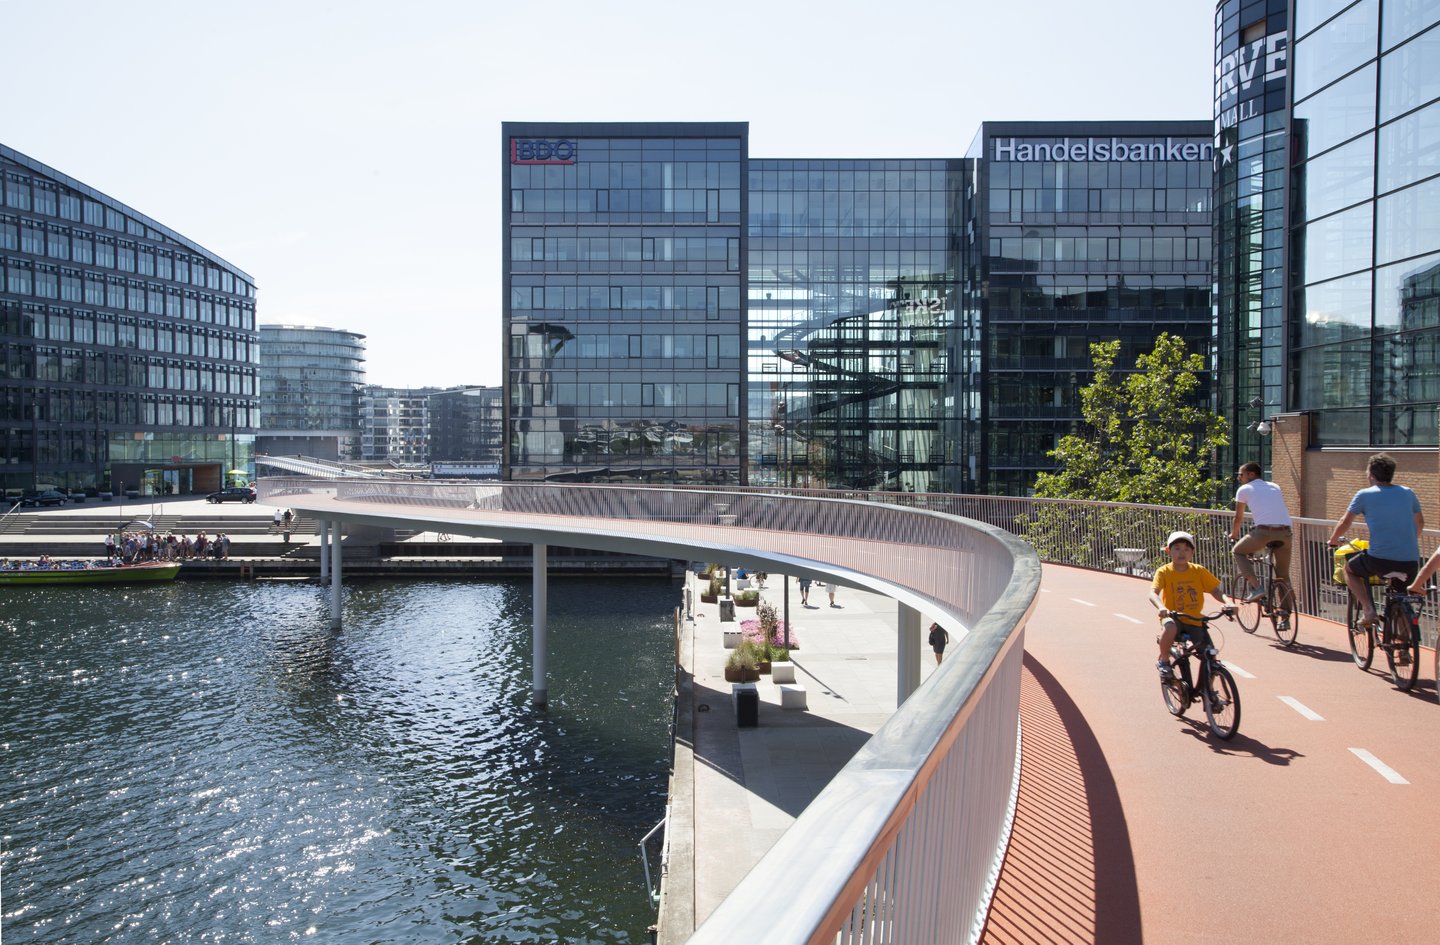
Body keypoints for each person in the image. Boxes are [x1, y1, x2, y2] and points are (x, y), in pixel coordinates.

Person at [1326, 452, 1423, 629]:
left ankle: (1369, 609)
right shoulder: (1408, 493)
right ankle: (1404, 645)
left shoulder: (1364, 494)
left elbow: (1345, 522)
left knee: (1350, 570)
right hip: (1410, 560)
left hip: (1379, 559)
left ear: (1371, 474)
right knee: (1400, 596)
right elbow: (1420, 523)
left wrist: (1332, 540)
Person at [1149, 531, 1232, 679]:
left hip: (1194, 620)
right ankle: (1164, 661)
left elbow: (1215, 591)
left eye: (1187, 549)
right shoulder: (1164, 572)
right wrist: (1162, 607)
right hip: (1173, 616)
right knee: (1170, 626)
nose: (1182, 553)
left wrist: (1229, 602)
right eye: (1177, 548)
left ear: (1193, 552)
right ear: (1168, 550)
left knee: (1210, 657)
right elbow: (1153, 593)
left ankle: (1209, 694)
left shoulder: (1198, 571)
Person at [1229, 461, 1293, 601]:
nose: (1239, 478)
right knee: (1283, 575)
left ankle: (1257, 588)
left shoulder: (1244, 489)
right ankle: (1285, 615)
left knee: (1238, 551)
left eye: (1241, 475)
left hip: (1264, 532)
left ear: (1251, 474)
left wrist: (1234, 534)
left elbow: (1238, 517)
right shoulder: (1275, 486)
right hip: (1286, 533)